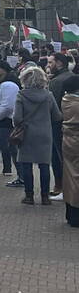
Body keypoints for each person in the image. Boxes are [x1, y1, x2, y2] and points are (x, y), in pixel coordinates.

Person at [13, 66, 59, 206]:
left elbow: (17, 118)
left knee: (26, 165)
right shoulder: (48, 95)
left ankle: (29, 196)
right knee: (44, 166)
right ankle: (45, 197)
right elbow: (57, 116)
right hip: (45, 133)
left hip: (27, 134)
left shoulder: (21, 95)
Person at [46, 52, 74, 199]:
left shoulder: (56, 82)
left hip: (57, 124)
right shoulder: (72, 77)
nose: (48, 66)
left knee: (57, 156)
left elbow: (52, 106)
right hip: (71, 123)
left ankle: (60, 186)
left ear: (59, 63)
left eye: (51, 62)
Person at [60, 75, 79, 227]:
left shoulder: (66, 100)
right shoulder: (76, 103)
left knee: (69, 175)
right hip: (76, 141)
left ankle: (71, 213)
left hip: (68, 141)